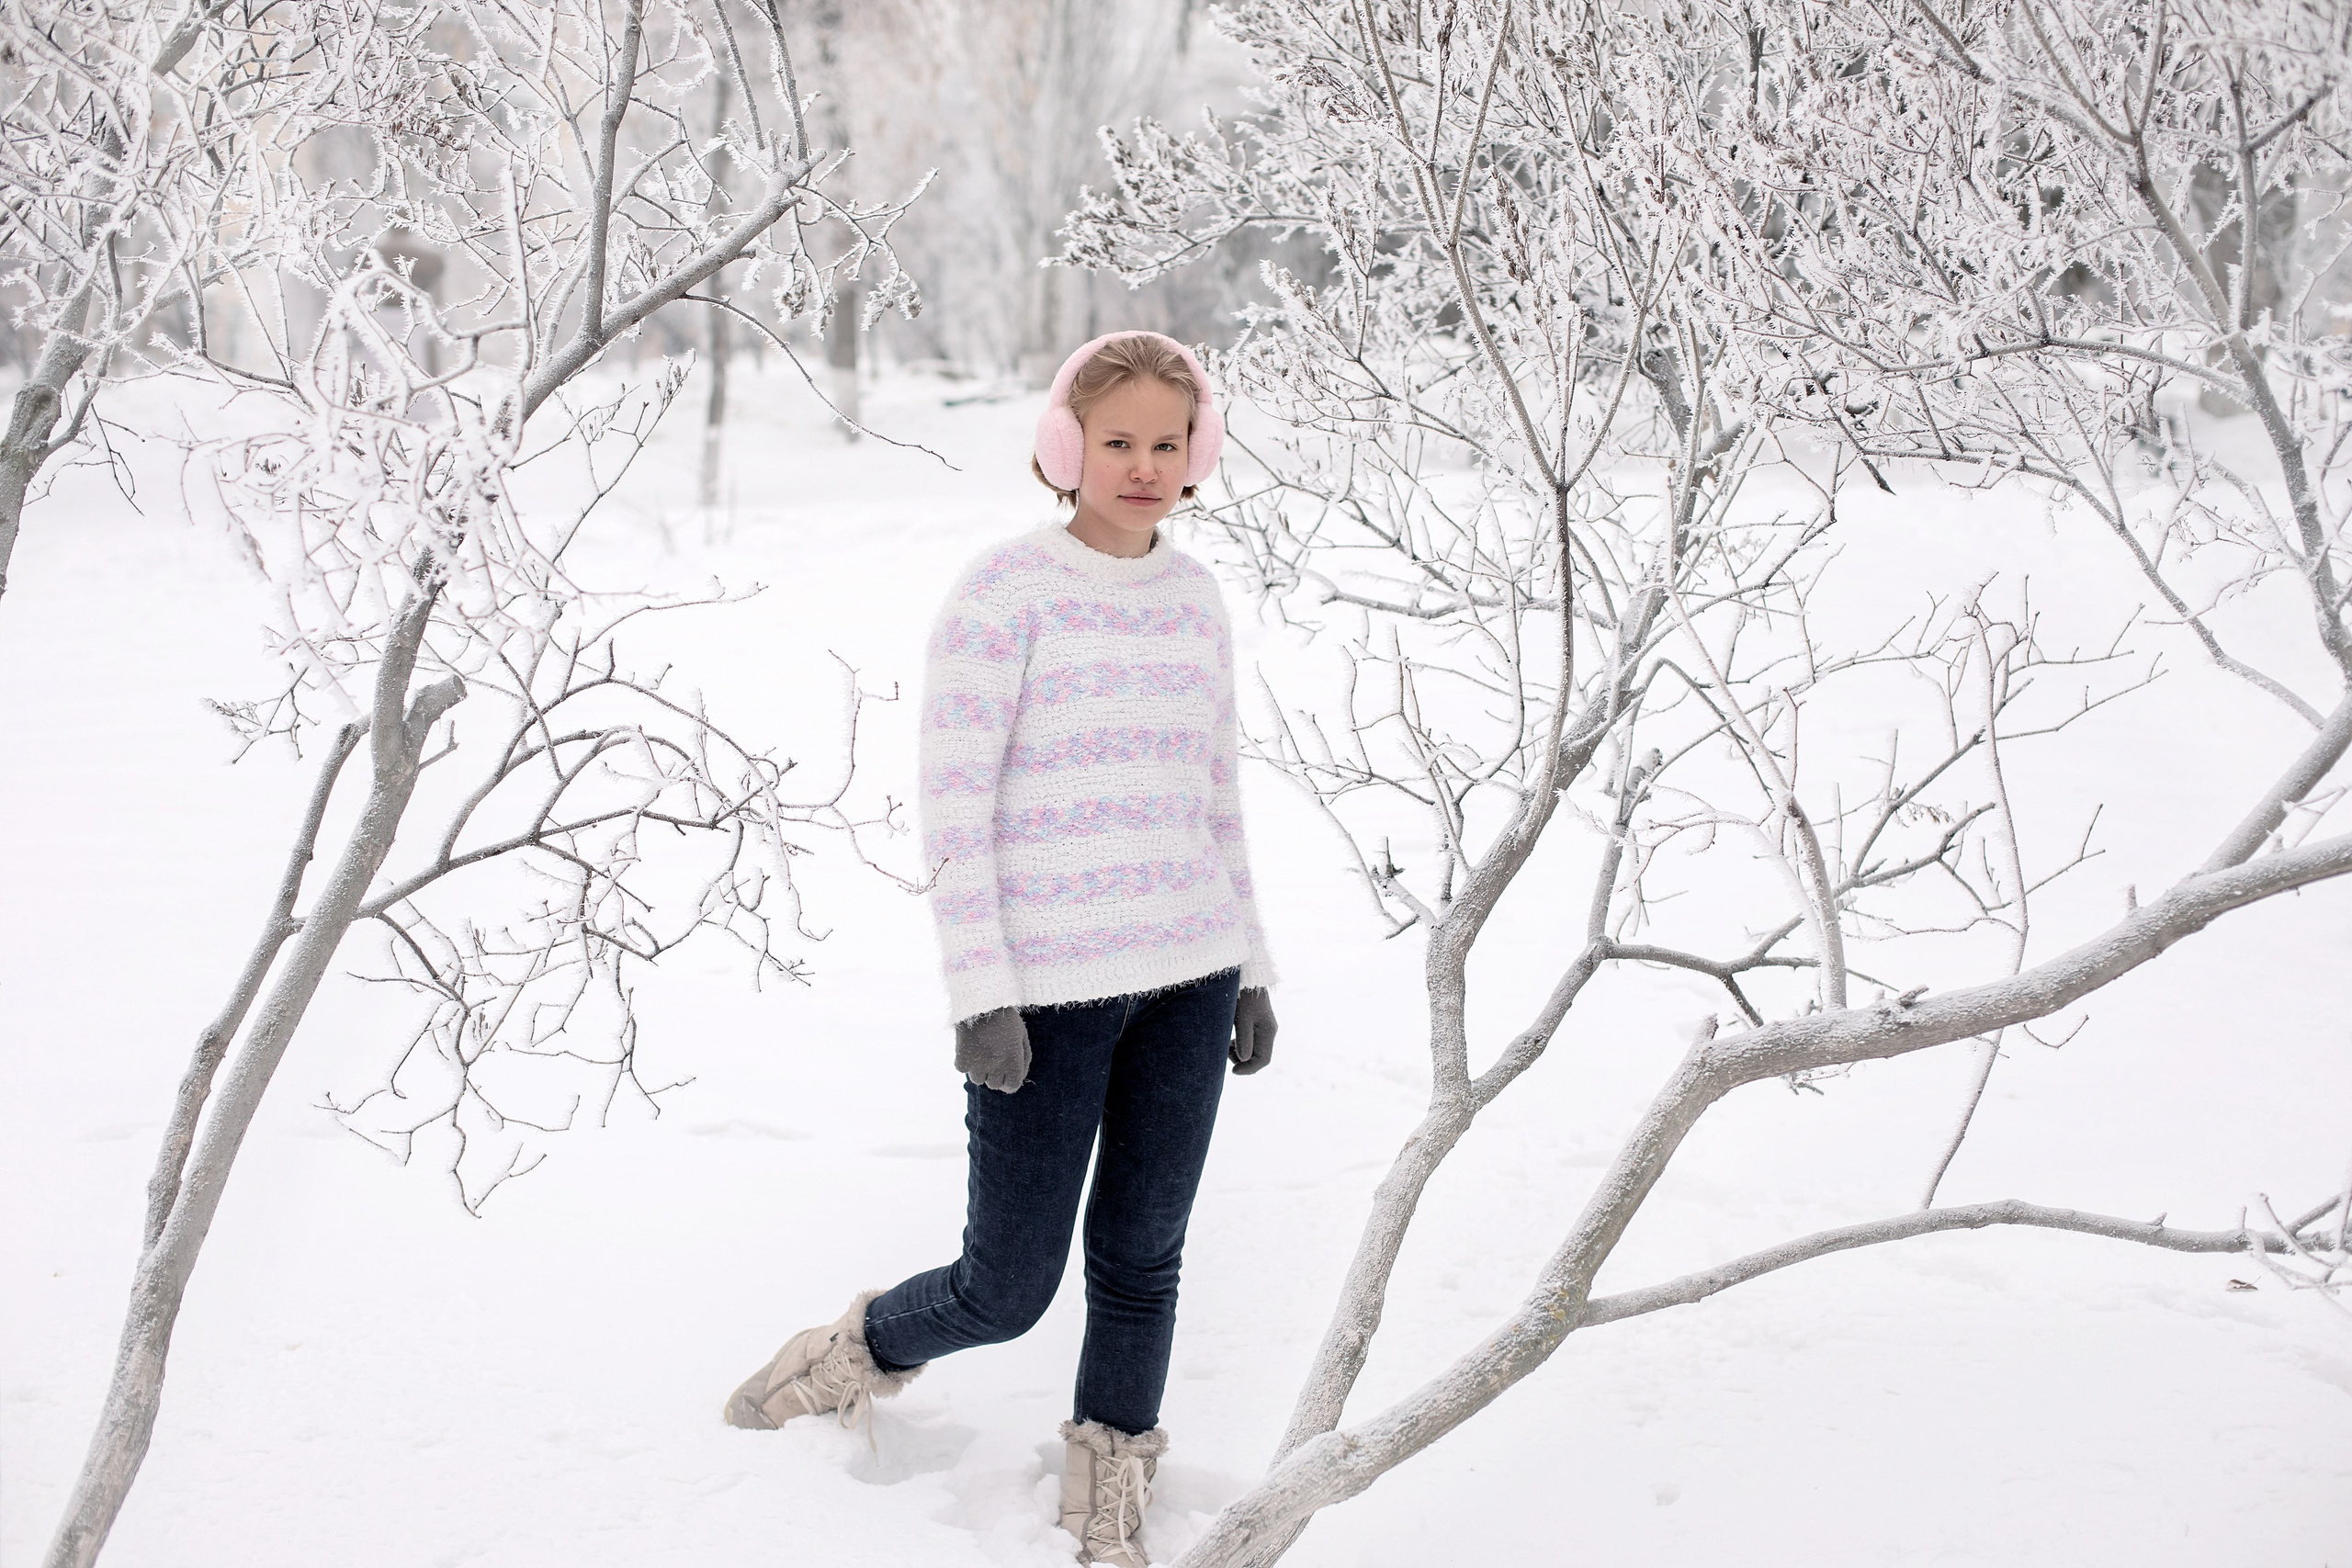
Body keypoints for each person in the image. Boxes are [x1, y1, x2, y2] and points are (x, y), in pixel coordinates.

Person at [720, 331, 1282, 1568]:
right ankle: (850, 1353)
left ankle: (1108, 1504)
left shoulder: (1195, 599)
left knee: (1144, 1259)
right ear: (1067, 449)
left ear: (1201, 454)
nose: (1143, 466)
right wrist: (982, 992)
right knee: (1007, 1285)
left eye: (1167, 442)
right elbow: (954, 810)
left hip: (1187, 978)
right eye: (1118, 441)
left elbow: (1216, 790)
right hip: (1045, 1002)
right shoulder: (1004, 594)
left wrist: (1248, 964)